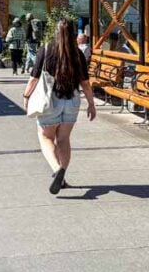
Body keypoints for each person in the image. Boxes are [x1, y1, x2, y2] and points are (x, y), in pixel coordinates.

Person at [23, 19, 97, 195]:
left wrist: (26, 96)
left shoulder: (47, 49)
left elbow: (34, 78)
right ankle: (62, 178)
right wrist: (91, 104)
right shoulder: (77, 54)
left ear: (56, 32)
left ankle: (57, 170)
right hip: (71, 100)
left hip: (51, 100)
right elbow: (85, 83)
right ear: (73, 34)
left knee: (45, 136)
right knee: (63, 139)